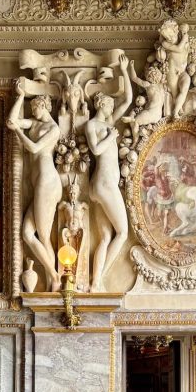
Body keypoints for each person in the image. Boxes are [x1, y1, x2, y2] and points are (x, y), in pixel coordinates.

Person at [7, 85, 63, 292]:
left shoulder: (53, 129)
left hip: (48, 182)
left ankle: (54, 280)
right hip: (39, 183)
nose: (32, 111)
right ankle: (53, 277)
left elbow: (34, 147)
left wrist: (18, 131)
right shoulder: (34, 123)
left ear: (44, 105)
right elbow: (11, 121)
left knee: (44, 235)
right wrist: (21, 96)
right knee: (27, 234)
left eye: (35, 107)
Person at [84, 53, 133, 291]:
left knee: (105, 237)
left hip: (100, 187)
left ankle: (95, 284)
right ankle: (100, 278)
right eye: (110, 104)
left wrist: (124, 71)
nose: (113, 106)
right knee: (122, 232)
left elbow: (128, 99)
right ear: (101, 104)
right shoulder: (93, 125)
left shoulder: (109, 123)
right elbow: (95, 149)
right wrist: (111, 137)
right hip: (104, 184)